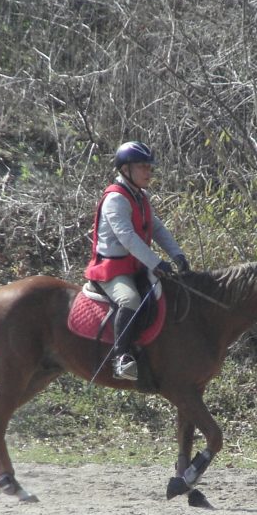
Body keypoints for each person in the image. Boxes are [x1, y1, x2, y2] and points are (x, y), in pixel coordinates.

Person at [84, 141, 190, 381]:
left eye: (149, 167)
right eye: (143, 167)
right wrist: (157, 263)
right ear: (126, 169)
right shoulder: (115, 199)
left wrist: (178, 255)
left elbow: (157, 228)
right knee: (129, 299)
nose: (148, 172)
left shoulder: (141, 196)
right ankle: (121, 359)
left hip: (136, 266)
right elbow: (127, 238)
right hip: (111, 269)